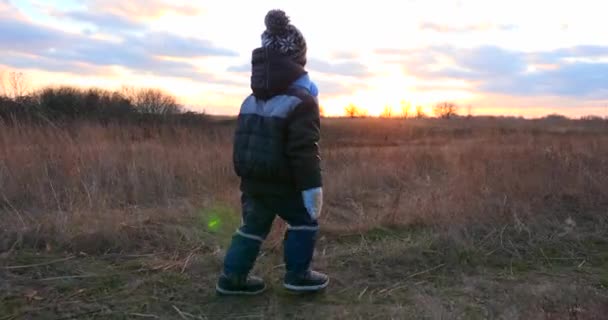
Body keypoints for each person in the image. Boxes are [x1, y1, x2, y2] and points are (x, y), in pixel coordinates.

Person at [215, 9, 328, 296]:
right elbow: (304, 150)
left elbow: (242, 144)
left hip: (253, 182)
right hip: (286, 182)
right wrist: (312, 188)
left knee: (252, 225)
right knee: (304, 221)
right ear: (298, 60)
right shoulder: (302, 101)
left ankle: (232, 277)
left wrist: (247, 177)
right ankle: (298, 275)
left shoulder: (250, 100)